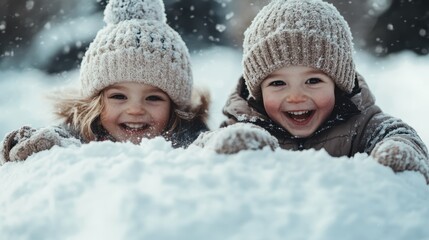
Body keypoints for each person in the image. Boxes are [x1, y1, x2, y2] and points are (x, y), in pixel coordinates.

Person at [193, 0, 429, 183]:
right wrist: (228, 146)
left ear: (338, 85)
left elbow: (397, 132)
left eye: (313, 80)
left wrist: (401, 150)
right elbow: (198, 151)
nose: (296, 96)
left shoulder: (360, 123)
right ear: (258, 92)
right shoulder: (246, 124)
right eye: (278, 84)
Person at [1, 0, 209, 163]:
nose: (135, 109)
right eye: (119, 96)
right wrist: (33, 145)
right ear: (96, 102)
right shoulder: (81, 134)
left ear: (174, 106)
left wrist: (221, 146)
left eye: (153, 97)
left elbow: (208, 145)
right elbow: (57, 138)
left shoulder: (186, 137)